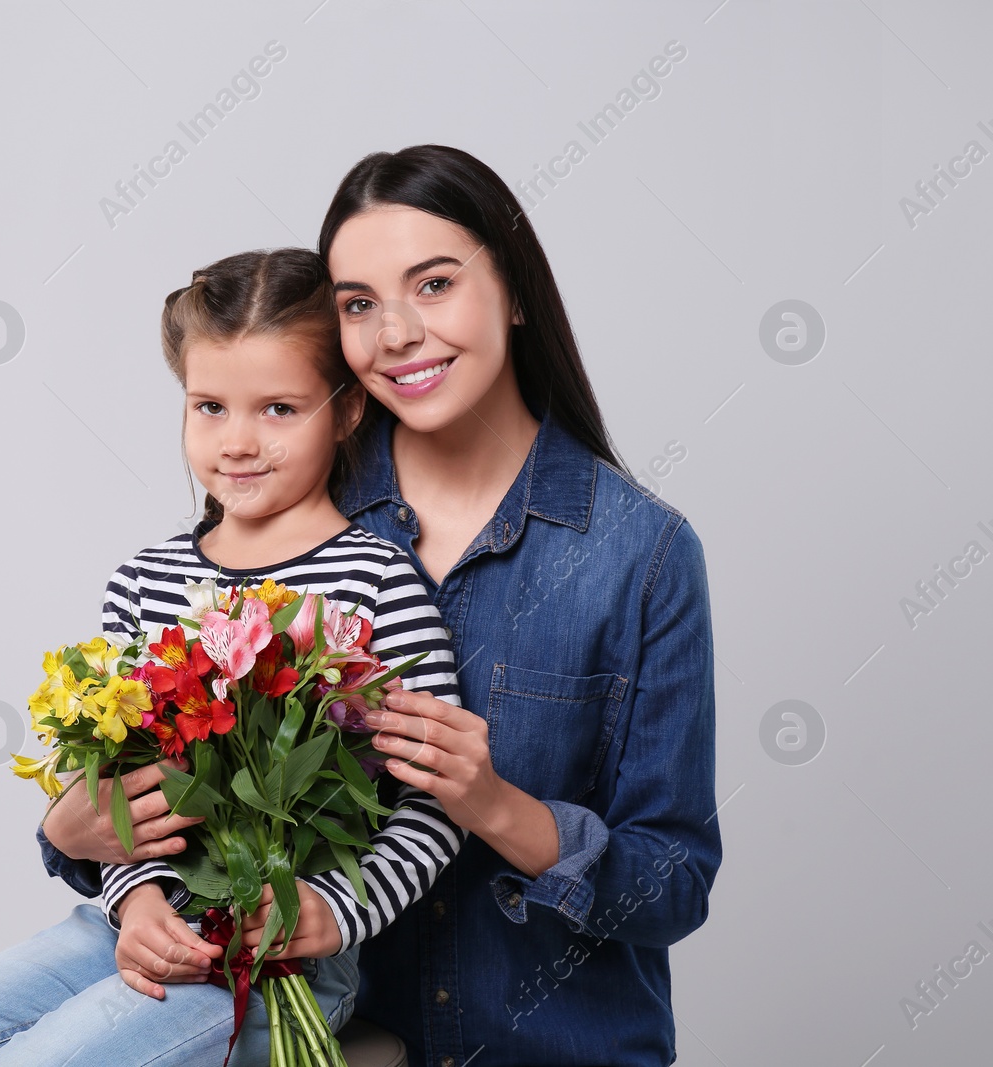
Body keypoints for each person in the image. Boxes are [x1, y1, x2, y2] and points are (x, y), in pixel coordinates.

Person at [39, 145, 723, 1067]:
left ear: (514, 291)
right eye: (359, 303)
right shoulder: (290, 499)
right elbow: (167, 756)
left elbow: (673, 886)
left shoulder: (639, 554)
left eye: (434, 283)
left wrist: (496, 806)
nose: (396, 333)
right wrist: (71, 834)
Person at [0, 247, 470, 1067]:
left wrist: (332, 910)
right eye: (209, 406)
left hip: (266, 955)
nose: (238, 442)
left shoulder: (379, 580)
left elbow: (438, 807)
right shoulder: (145, 581)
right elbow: (108, 792)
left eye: (279, 409)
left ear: (348, 409)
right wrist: (133, 899)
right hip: (127, 926)